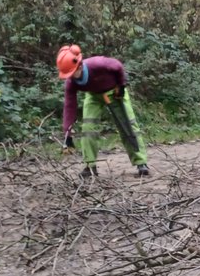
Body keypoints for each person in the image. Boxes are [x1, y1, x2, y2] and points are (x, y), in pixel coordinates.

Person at [57, 44, 149, 178]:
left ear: (80, 65)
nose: (70, 77)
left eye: (71, 73)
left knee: (128, 125)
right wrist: (67, 133)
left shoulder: (97, 64)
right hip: (93, 96)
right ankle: (90, 166)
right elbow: (69, 106)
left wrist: (121, 85)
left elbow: (118, 66)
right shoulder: (71, 83)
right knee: (88, 128)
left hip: (115, 91)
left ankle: (141, 162)